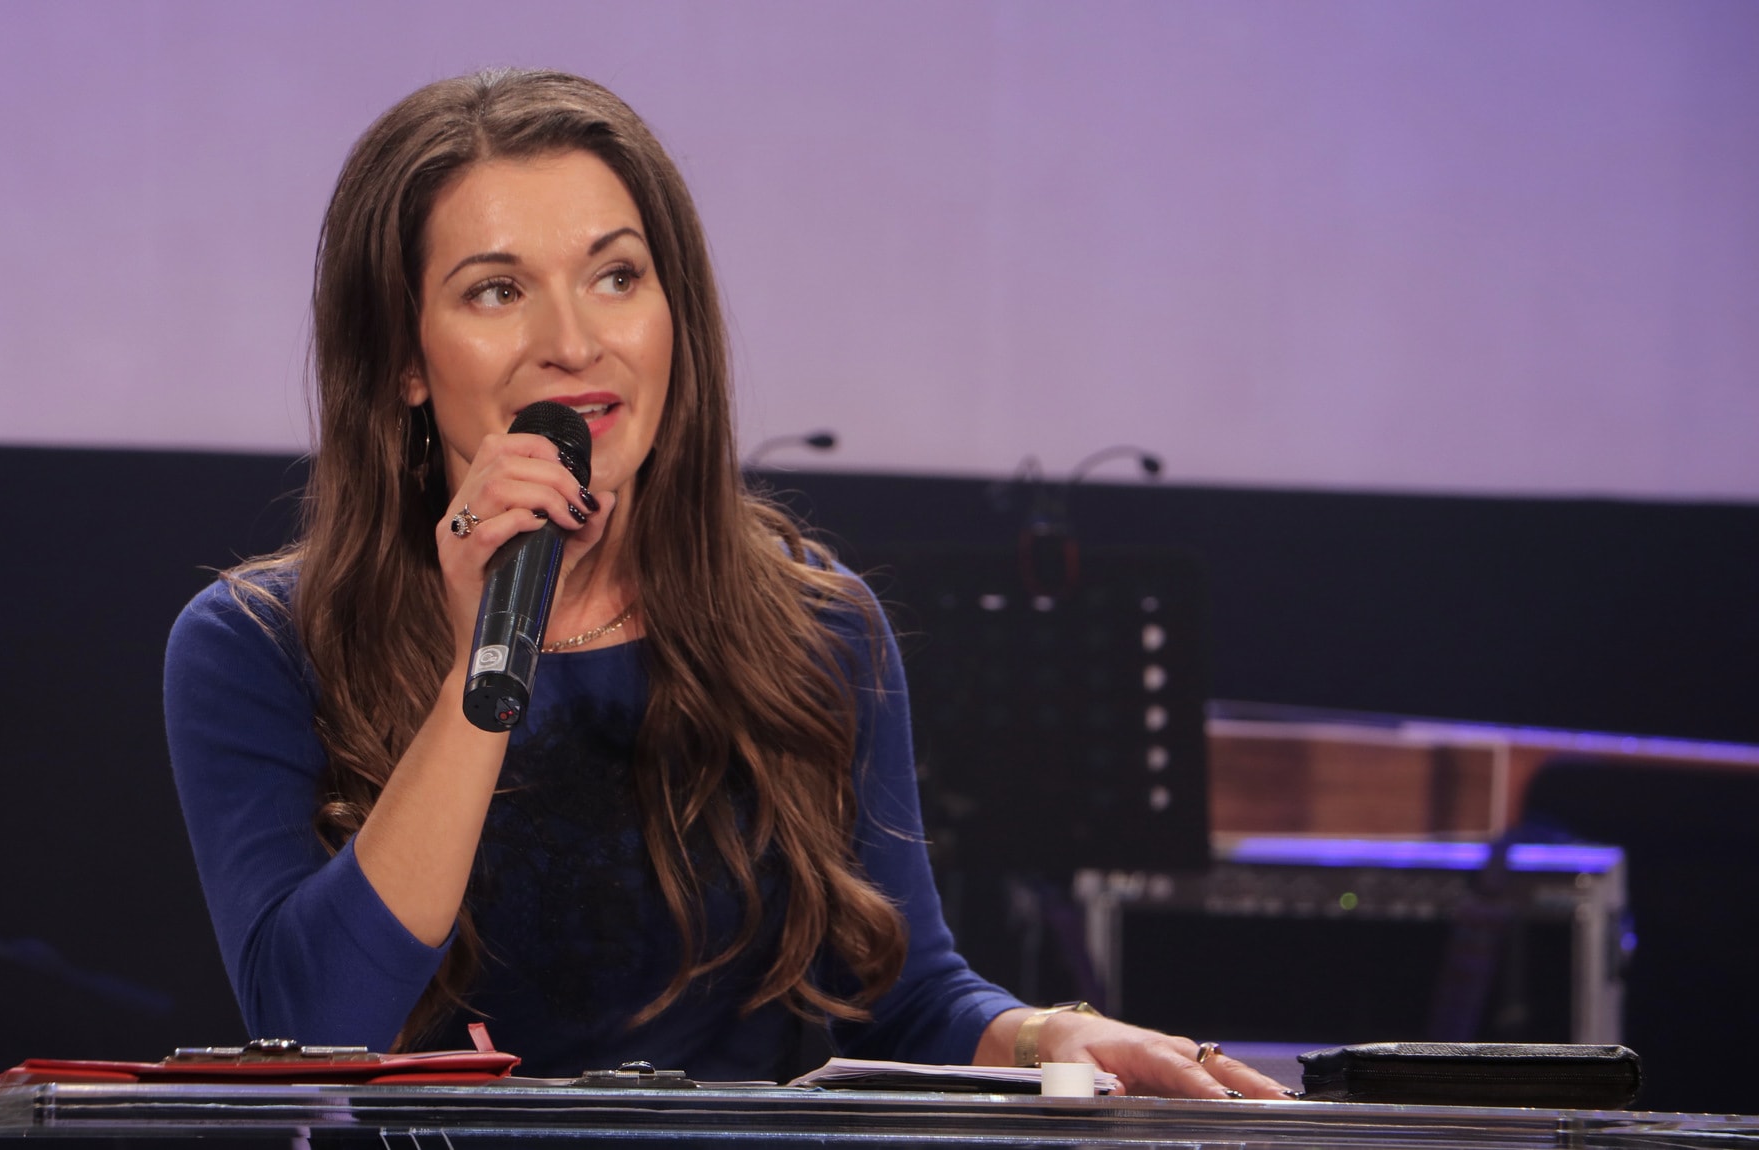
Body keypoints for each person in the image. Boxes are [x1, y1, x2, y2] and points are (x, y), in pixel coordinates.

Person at [164, 68, 1285, 1099]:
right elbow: (317, 1030)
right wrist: (478, 674)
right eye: (497, 291)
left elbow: (901, 997)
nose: (574, 343)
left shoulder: (811, 626)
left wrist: (1048, 1039)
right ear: (405, 359)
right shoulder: (258, 644)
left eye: (616, 277)